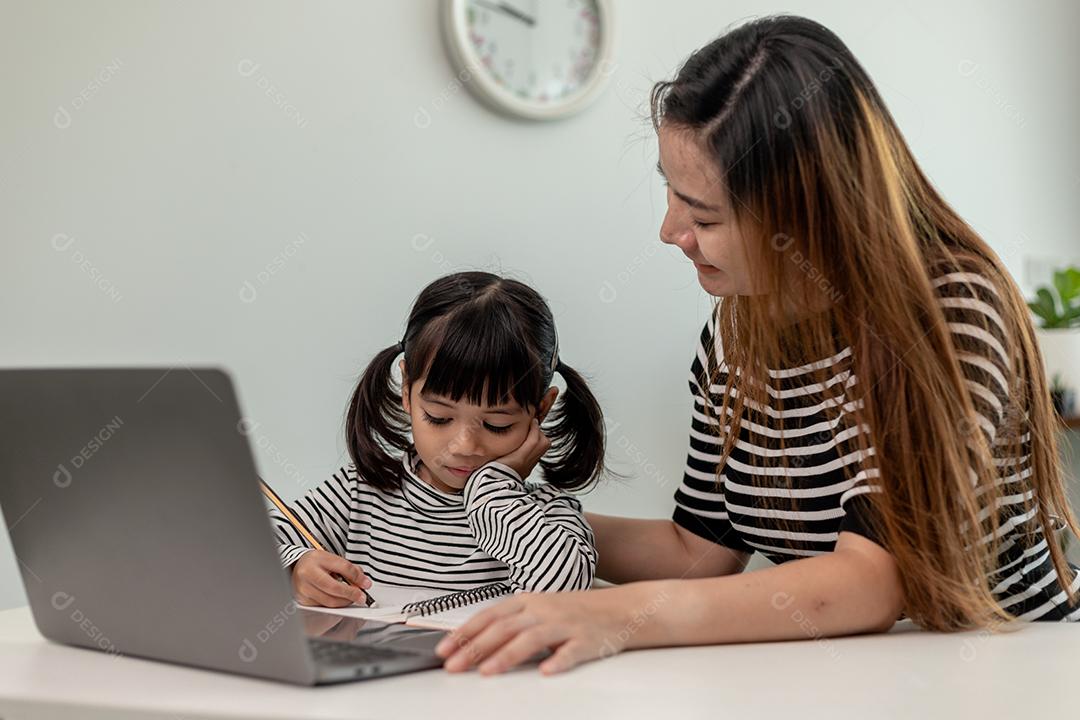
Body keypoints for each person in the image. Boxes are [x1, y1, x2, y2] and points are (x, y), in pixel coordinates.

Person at [436, 14, 1080, 676]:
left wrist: (617, 618)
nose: (669, 230)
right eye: (669, 189)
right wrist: (516, 511)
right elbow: (699, 552)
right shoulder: (734, 329)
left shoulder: (951, 309)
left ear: (808, 211)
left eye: (705, 214)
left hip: (1021, 673)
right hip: (862, 679)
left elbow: (872, 583)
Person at [268, 271, 606, 606]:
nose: (464, 447)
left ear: (540, 410)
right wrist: (296, 568)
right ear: (406, 390)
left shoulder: (547, 516)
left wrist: (494, 492)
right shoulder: (362, 492)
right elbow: (250, 546)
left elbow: (564, 596)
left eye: (497, 424)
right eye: (439, 417)